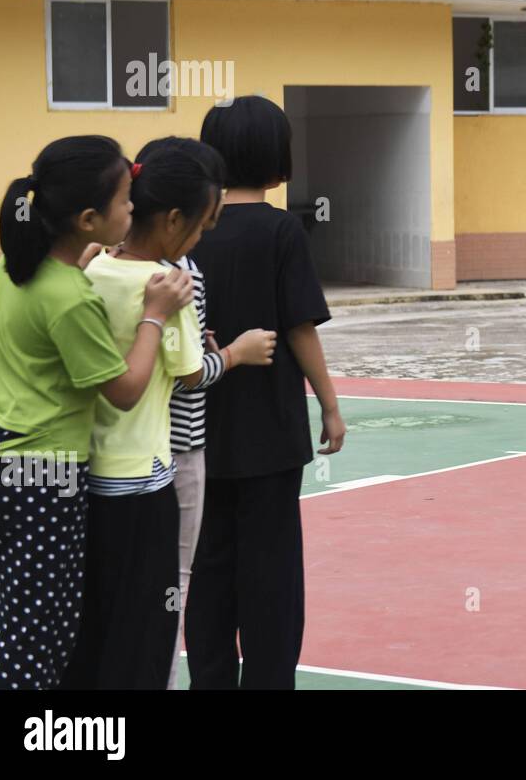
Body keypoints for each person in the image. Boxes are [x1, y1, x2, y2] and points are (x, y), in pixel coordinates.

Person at [0, 136, 193, 689]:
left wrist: (85, 256)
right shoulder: (71, 298)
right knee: (40, 638)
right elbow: (125, 389)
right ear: (90, 219)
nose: (134, 209)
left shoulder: (16, 266)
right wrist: (154, 314)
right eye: (125, 201)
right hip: (43, 477)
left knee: (14, 620)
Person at [187, 95, 347, 688]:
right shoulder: (282, 230)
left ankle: (209, 679)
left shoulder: (189, 230)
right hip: (272, 435)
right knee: (272, 572)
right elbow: (299, 325)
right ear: (277, 156)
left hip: (197, 430)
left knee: (207, 568)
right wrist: (330, 406)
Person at [62, 139, 234, 689]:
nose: (202, 238)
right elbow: (187, 373)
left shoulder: (89, 273)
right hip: (146, 480)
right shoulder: (170, 288)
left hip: (86, 474)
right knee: (151, 625)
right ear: (175, 219)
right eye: (202, 226)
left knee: (96, 620)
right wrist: (225, 352)